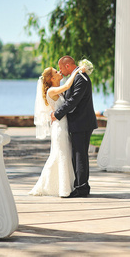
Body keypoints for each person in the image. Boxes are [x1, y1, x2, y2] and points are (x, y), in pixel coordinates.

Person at [29, 65, 85, 197]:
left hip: (65, 126)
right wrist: (76, 71)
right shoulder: (52, 91)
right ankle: (61, 188)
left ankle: (64, 185)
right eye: (56, 71)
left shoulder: (58, 91)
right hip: (59, 128)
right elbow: (66, 86)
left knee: (63, 154)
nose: (59, 71)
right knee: (60, 155)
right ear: (52, 78)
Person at [51, 56, 98, 198]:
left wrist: (57, 113)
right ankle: (80, 185)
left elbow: (74, 100)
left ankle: (82, 188)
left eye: (60, 68)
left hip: (82, 122)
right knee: (78, 154)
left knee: (80, 155)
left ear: (67, 66)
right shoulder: (76, 77)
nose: (60, 71)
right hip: (79, 122)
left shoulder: (80, 78)